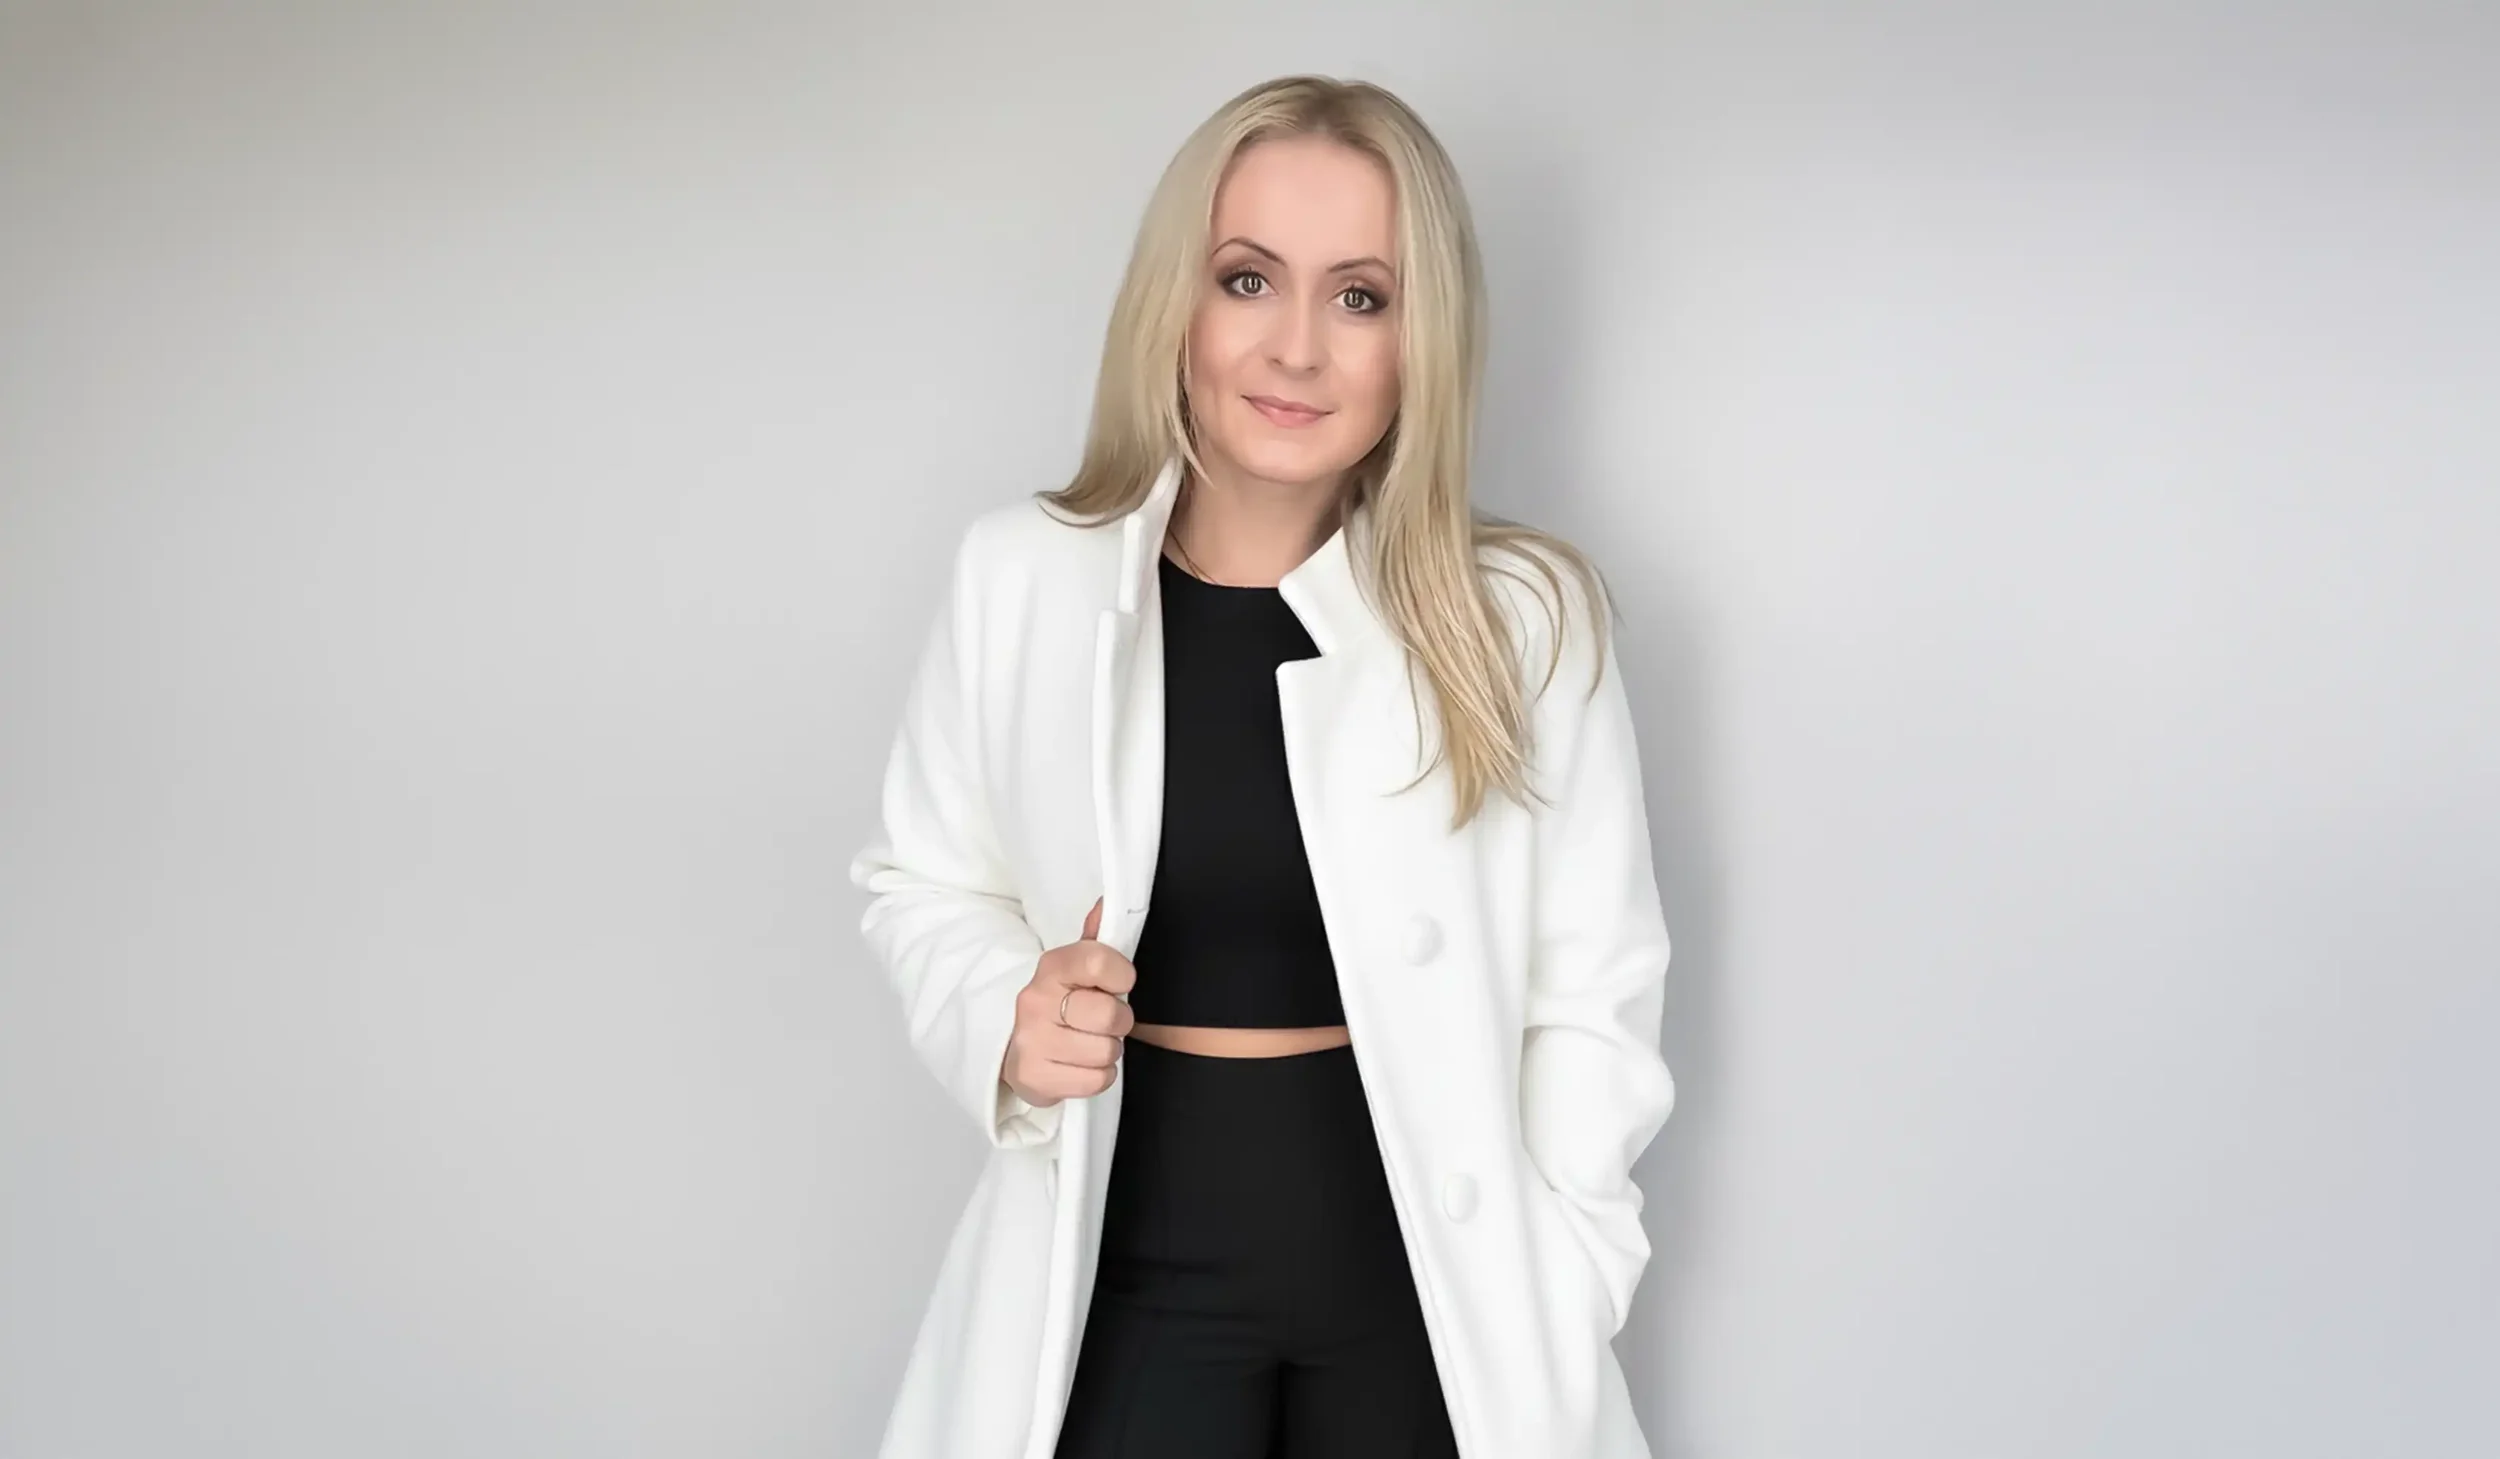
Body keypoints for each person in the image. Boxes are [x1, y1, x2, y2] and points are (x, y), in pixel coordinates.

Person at [850, 74, 1674, 1459]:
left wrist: (1570, 1270)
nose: (1297, 348)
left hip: (1430, 1293)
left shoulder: (1522, 618)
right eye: (1249, 280)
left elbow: (1598, 995)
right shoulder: (1024, 580)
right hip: (1128, 1263)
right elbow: (920, 880)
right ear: (1177, 300)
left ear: (1426, 340)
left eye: (1361, 296)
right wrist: (1006, 1012)